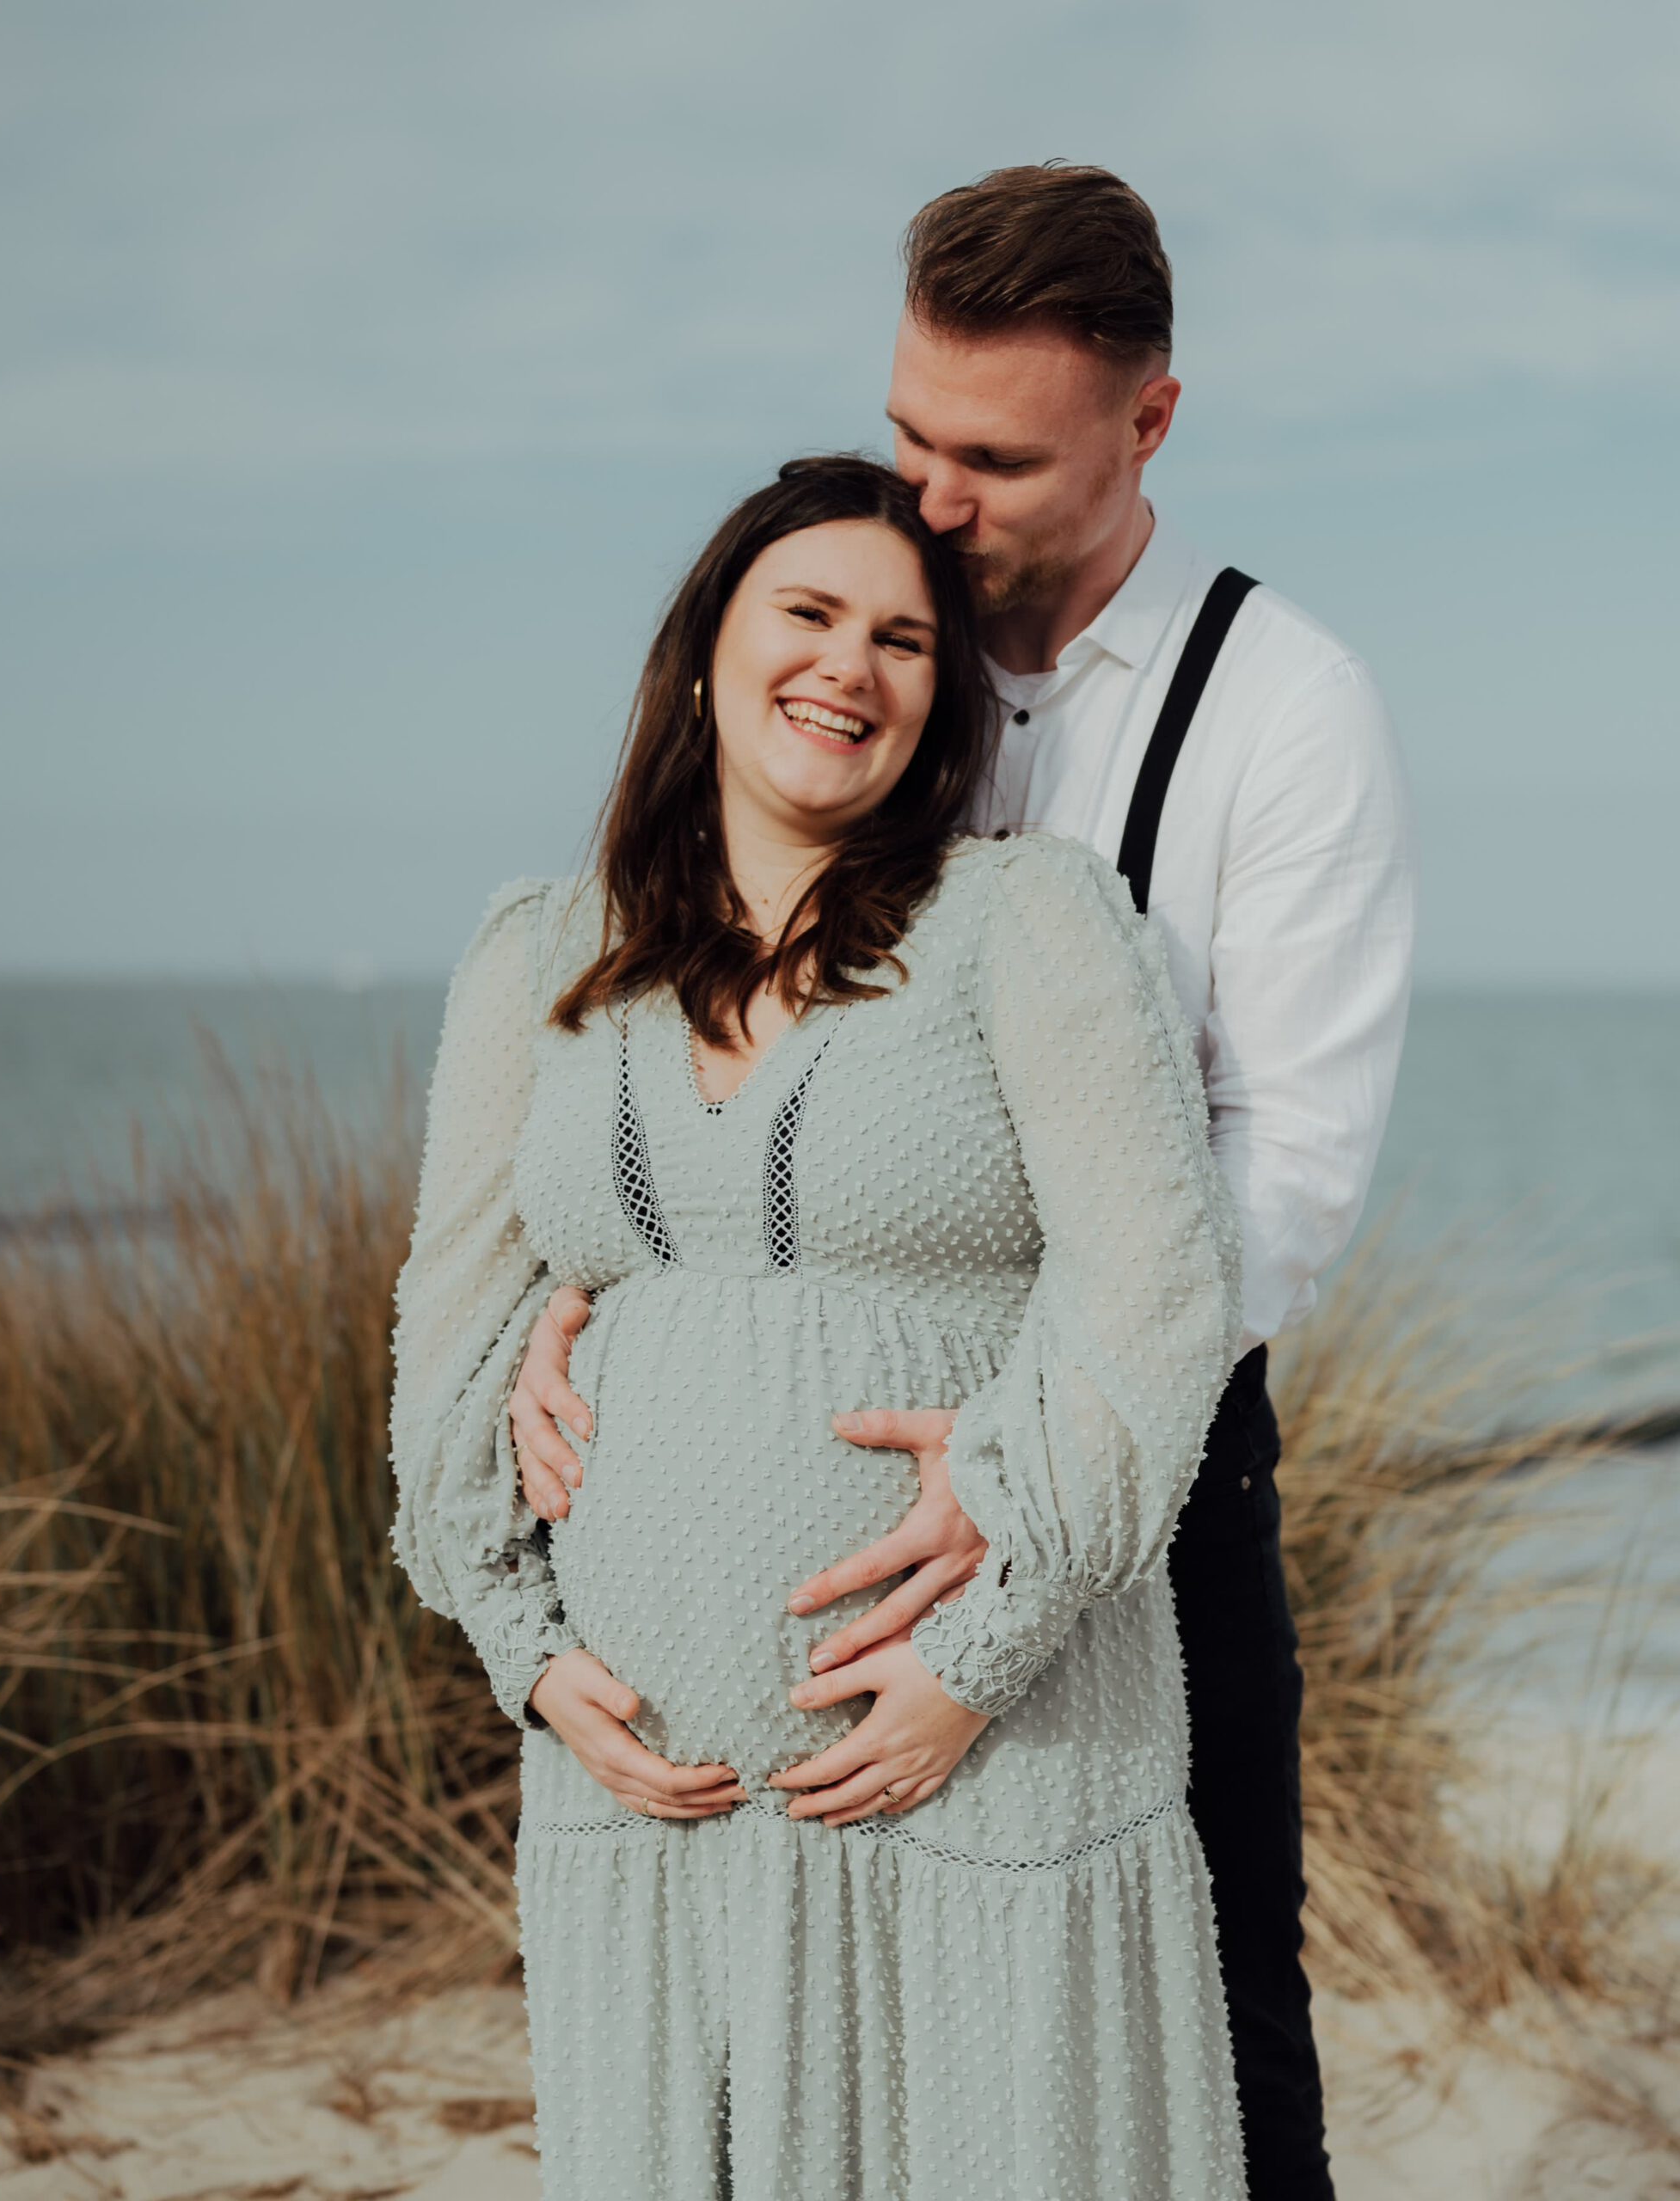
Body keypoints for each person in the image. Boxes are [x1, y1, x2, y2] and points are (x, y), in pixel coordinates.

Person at [509, 167, 1417, 2199]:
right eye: (911, 433)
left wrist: (1010, 1460)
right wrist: (611, 1292)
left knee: (1203, 1972)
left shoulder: (1282, 717)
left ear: (1147, 424)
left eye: (993, 460)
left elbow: (1284, 1170)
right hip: (793, 1506)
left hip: (1146, 1453)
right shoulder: (857, 631)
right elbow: (697, 1022)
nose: (931, 499)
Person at [389, 452, 1249, 2198]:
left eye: (903, 641)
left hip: (979, 1755)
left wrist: (971, 1660)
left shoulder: (1026, 920)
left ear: (942, 704)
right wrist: (523, 1648)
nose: (847, 665)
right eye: (806, 613)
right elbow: (451, 1323)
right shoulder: (537, 955)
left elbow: (1150, 1298)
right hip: (651, 1797)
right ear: (705, 642)